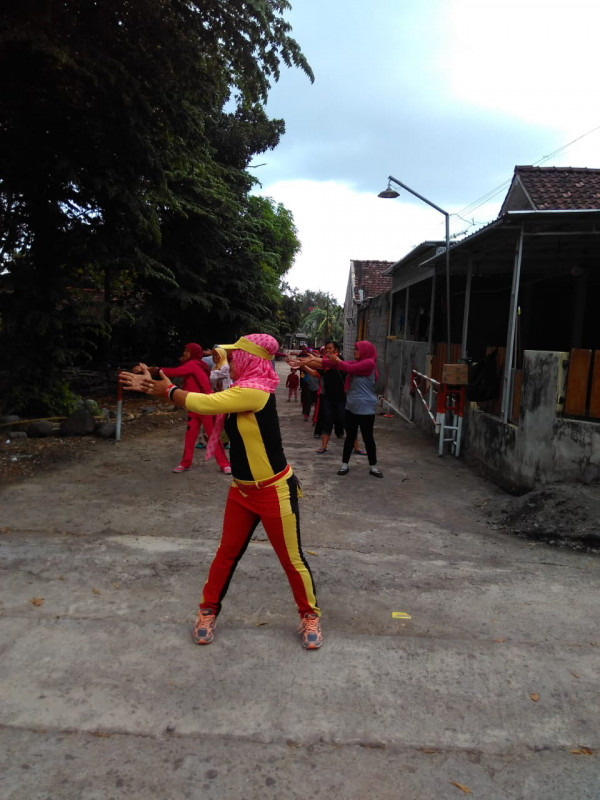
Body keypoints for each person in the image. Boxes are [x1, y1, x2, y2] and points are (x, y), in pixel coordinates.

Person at [119, 334, 323, 650]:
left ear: (249, 360)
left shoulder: (255, 392)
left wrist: (166, 390)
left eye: (237, 356)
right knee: (225, 555)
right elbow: (212, 378)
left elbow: (205, 403)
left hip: (274, 491)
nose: (231, 361)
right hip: (242, 492)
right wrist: (160, 380)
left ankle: (310, 615)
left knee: (291, 560)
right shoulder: (239, 387)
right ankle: (207, 611)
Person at [135, 343, 231, 475]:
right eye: (184, 351)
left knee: (213, 436)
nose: (184, 353)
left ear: (193, 353)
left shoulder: (193, 365)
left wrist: (151, 369)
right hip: (193, 405)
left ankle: (224, 464)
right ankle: (185, 462)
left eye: (187, 351)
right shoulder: (195, 364)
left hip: (205, 405)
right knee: (190, 436)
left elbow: (173, 372)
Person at [299, 341, 383, 478]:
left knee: (368, 437)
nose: (354, 351)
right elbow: (331, 364)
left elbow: (348, 368)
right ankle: (345, 464)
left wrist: (336, 360)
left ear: (365, 351)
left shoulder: (369, 364)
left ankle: (373, 466)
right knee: (350, 436)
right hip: (351, 406)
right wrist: (308, 360)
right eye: (354, 349)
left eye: (357, 349)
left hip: (366, 408)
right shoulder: (356, 362)